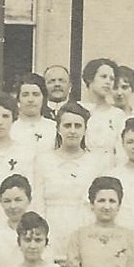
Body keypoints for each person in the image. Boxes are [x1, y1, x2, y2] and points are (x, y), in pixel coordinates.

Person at [59, 176, 134, 267]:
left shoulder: (128, 236)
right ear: (92, 204)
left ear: (119, 205)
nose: (107, 206)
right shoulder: (79, 235)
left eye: (112, 201)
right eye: (101, 201)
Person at [34, 102, 101, 246]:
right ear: (58, 129)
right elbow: (37, 204)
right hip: (51, 232)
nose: (72, 131)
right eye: (67, 125)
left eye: (77, 126)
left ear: (85, 130)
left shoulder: (96, 162)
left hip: (85, 232)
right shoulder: (43, 161)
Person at [78, 58, 125, 159]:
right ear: (90, 78)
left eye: (112, 79)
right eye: (103, 77)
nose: (108, 82)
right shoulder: (76, 109)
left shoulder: (118, 115)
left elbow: (121, 151)